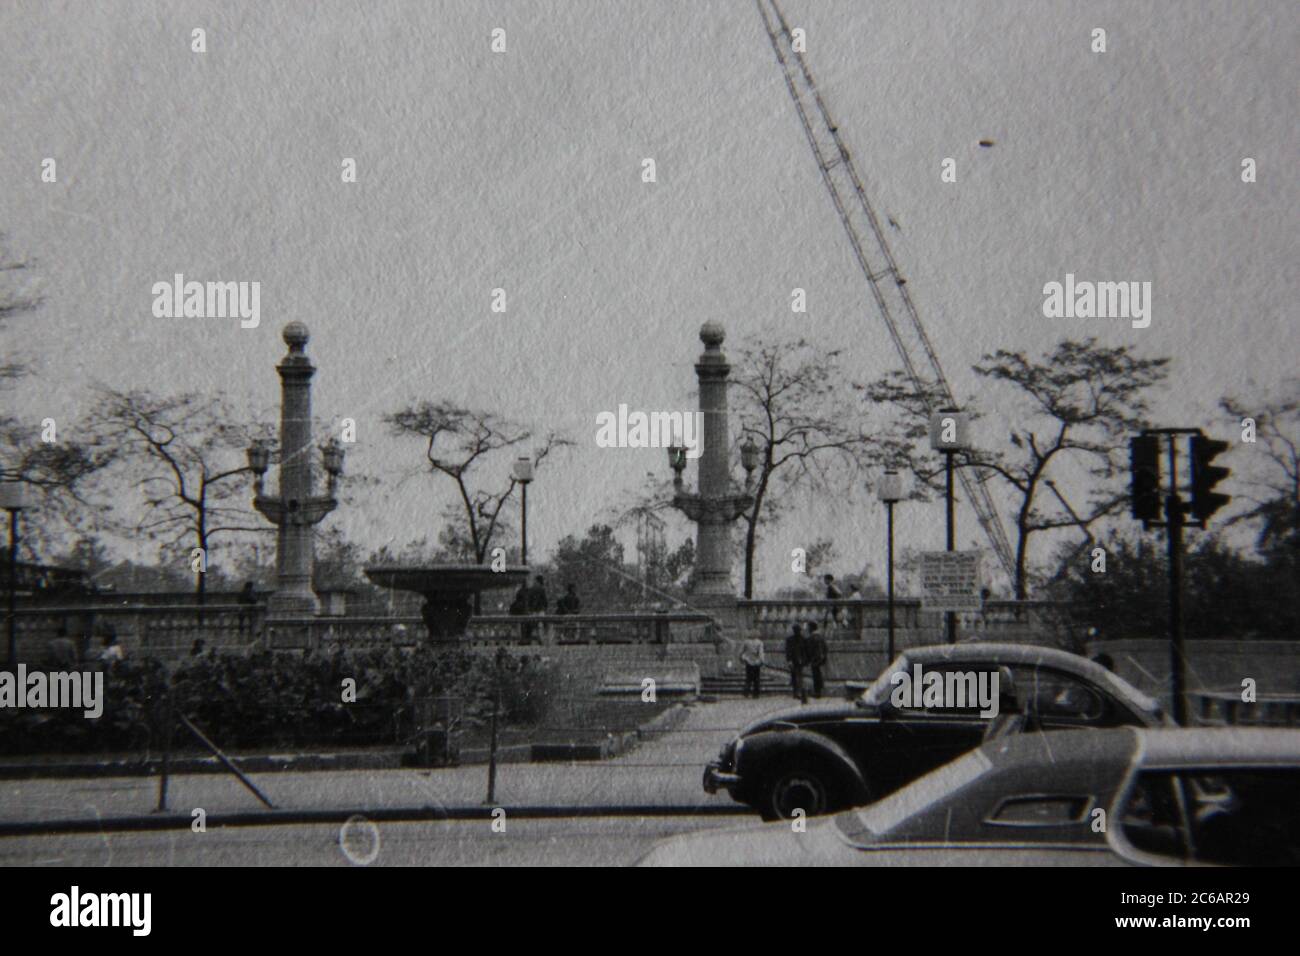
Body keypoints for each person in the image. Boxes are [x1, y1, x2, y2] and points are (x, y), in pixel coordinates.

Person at [784, 622, 807, 703]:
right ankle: (796, 692)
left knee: (798, 677)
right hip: (794, 660)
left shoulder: (802, 639)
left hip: (799, 661)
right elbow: (788, 651)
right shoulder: (791, 639)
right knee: (795, 677)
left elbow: (804, 651)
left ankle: (798, 692)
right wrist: (789, 660)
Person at [807, 621, 828, 698]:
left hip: (815, 659)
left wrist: (809, 658)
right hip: (820, 659)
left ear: (811, 628)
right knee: (818, 674)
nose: (807, 629)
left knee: (816, 675)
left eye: (808, 627)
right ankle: (818, 691)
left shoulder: (812, 637)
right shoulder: (820, 637)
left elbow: (809, 649)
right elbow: (825, 648)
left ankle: (817, 692)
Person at [739, 634, 765, 698]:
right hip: (756, 662)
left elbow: (741, 651)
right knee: (756, 679)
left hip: (748, 661)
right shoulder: (759, 642)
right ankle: (756, 693)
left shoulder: (746, 642)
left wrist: (741, 659)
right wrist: (762, 661)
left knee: (748, 678)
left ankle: (746, 692)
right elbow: (761, 653)